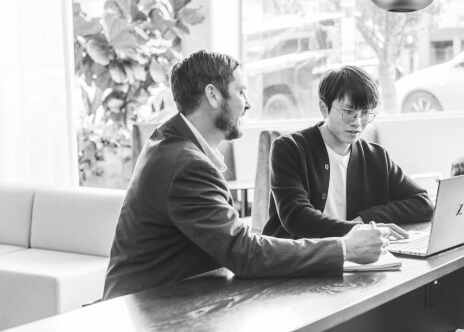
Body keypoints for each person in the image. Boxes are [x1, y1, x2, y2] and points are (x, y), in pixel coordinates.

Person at [103, 51, 389, 300]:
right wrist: (344, 248)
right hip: (147, 307)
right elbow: (243, 252)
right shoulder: (186, 164)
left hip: (169, 298)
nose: (248, 104)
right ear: (213, 95)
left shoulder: (170, 141)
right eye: (241, 92)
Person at [262, 65, 434, 240]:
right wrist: (358, 229)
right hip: (297, 254)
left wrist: (367, 218)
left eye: (364, 113)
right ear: (324, 108)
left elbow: (423, 203)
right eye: (349, 112)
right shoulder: (289, 148)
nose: (357, 123)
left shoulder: (376, 157)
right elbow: (296, 216)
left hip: (352, 253)